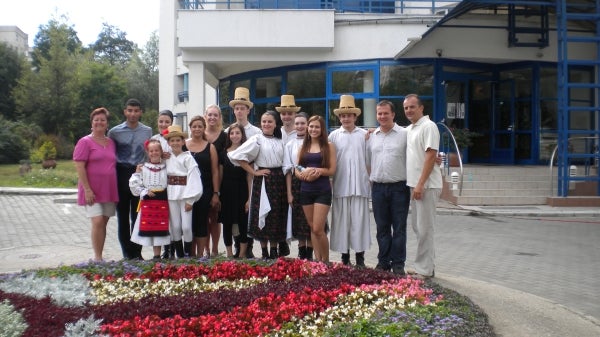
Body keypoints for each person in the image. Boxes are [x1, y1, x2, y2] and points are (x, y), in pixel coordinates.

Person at [228, 110, 287, 259]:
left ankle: (274, 249)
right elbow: (237, 156)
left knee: (275, 214)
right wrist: (254, 172)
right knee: (262, 213)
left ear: (275, 124)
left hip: (278, 181)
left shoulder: (281, 140)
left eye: (269, 121)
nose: (266, 124)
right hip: (263, 180)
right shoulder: (257, 139)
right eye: (264, 121)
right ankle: (264, 250)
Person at [367, 100, 411, 275]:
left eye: (386, 113)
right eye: (379, 113)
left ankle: (398, 263)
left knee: (399, 227)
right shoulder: (371, 136)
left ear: (393, 114)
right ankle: (383, 262)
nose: (382, 116)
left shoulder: (404, 134)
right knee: (382, 228)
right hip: (378, 188)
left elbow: (417, 154)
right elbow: (367, 162)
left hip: (399, 188)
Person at [328, 95, 371, 267]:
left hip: (360, 185)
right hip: (341, 185)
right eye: (343, 116)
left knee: (360, 221)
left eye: (349, 115)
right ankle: (344, 256)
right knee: (342, 222)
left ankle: (360, 256)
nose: (346, 118)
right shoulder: (333, 136)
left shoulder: (365, 135)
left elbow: (371, 158)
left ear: (355, 116)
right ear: (339, 118)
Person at [403, 94, 443, 279]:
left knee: (426, 228)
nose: (409, 110)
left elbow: (430, 156)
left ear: (421, 108)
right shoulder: (411, 128)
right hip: (416, 185)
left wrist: (420, 184)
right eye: (406, 108)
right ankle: (424, 265)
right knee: (419, 227)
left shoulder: (429, 126)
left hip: (426, 186)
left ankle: (425, 270)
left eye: (412, 107)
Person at [108, 98, 152, 260]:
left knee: (138, 216)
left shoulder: (147, 131)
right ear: (125, 111)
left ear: (140, 112)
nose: (133, 114)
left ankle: (136, 252)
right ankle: (126, 253)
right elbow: (109, 155)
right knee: (123, 217)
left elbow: (149, 152)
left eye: (136, 111)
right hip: (121, 175)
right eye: (130, 110)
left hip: (139, 175)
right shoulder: (114, 132)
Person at [73, 107, 119, 262]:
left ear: (107, 124)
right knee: (97, 221)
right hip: (91, 190)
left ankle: (100, 254)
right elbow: (79, 166)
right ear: (91, 123)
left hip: (109, 189)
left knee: (103, 223)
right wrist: (87, 189)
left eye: (102, 120)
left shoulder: (111, 142)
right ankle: (97, 258)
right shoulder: (85, 142)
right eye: (96, 120)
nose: (99, 122)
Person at [295, 115, 336, 263]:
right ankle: (317, 261)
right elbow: (297, 169)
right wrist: (304, 176)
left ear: (322, 129)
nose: (313, 129)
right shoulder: (303, 147)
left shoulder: (328, 146)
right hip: (306, 191)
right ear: (308, 128)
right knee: (312, 227)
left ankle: (326, 261)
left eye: (317, 127)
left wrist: (316, 171)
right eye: (311, 126)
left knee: (319, 228)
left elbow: (331, 170)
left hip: (322, 191)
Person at [227, 87, 260, 258]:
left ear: (248, 110)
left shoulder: (256, 132)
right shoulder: (228, 132)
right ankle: (236, 246)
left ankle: (249, 247)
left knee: (249, 214)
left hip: (251, 177)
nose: (239, 111)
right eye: (237, 108)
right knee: (234, 216)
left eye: (242, 108)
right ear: (234, 110)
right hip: (233, 180)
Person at [164, 125, 203, 258]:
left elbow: (194, 178)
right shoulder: (166, 158)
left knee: (186, 227)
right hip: (171, 195)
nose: (175, 143)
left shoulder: (188, 158)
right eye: (172, 141)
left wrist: (191, 199)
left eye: (178, 140)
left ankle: (188, 253)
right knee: (175, 227)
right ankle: (179, 255)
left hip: (185, 195)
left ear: (182, 142)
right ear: (168, 143)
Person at [129, 139, 170, 260]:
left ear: (161, 151)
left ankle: (158, 255)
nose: (154, 153)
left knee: (160, 228)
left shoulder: (166, 167)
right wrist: (144, 191)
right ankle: (141, 254)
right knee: (150, 227)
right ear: (148, 152)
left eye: (157, 150)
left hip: (163, 202)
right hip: (148, 202)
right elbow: (134, 183)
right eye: (151, 151)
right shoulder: (142, 168)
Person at [186, 115, 220, 257]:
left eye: (200, 126)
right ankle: (190, 253)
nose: (197, 129)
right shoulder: (184, 145)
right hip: (186, 191)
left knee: (202, 222)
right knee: (188, 223)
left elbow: (215, 172)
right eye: (194, 126)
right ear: (190, 128)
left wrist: (215, 193)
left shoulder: (210, 147)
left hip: (205, 190)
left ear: (204, 128)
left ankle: (200, 255)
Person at [283, 112, 312, 259]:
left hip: (313, 182)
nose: (300, 126)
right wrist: (289, 193)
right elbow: (288, 170)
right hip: (296, 183)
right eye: (298, 123)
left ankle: (311, 252)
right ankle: (302, 251)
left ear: (308, 125)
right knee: (299, 217)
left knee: (311, 217)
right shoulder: (290, 144)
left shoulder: (315, 142)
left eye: (303, 123)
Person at [219, 123, 251, 258]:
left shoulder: (247, 152)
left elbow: (249, 176)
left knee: (243, 222)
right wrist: (218, 194)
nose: (234, 136)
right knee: (227, 223)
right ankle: (230, 254)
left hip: (242, 190)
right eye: (232, 133)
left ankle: (242, 253)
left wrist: (249, 198)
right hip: (226, 191)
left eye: (237, 133)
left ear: (242, 135)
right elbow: (220, 175)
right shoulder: (223, 153)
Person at [276, 94, 301, 257]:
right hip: (277, 175)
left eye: (290, 113)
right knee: (279, 210)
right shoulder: (276, 131)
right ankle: (281, 242)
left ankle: (302, 244)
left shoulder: (300, 131)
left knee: (298, 210)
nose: (287, 116)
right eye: (284, 113)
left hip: (296, 175)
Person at [204, 104, 228, 257]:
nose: (212, 117)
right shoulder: (199, 133)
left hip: (220, 180)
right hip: (201, 181)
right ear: (205, 116)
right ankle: (205, 249)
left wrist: (217, 190)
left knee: (215, 217)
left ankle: (214, 249)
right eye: (210, 114)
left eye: (215, 115)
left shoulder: (225, 136)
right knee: (203, 217)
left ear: (219, 117)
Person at [152, 109, 174, 259]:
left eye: (167, 121)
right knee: (160, 217)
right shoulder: (154, 139)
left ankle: (171, 248)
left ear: (171, 123)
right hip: (158, 182)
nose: (163, 124)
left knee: (172, 217)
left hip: (173, 183)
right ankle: (160, 251)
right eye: (161, 121)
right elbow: (149, 157)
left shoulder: (175, 139)